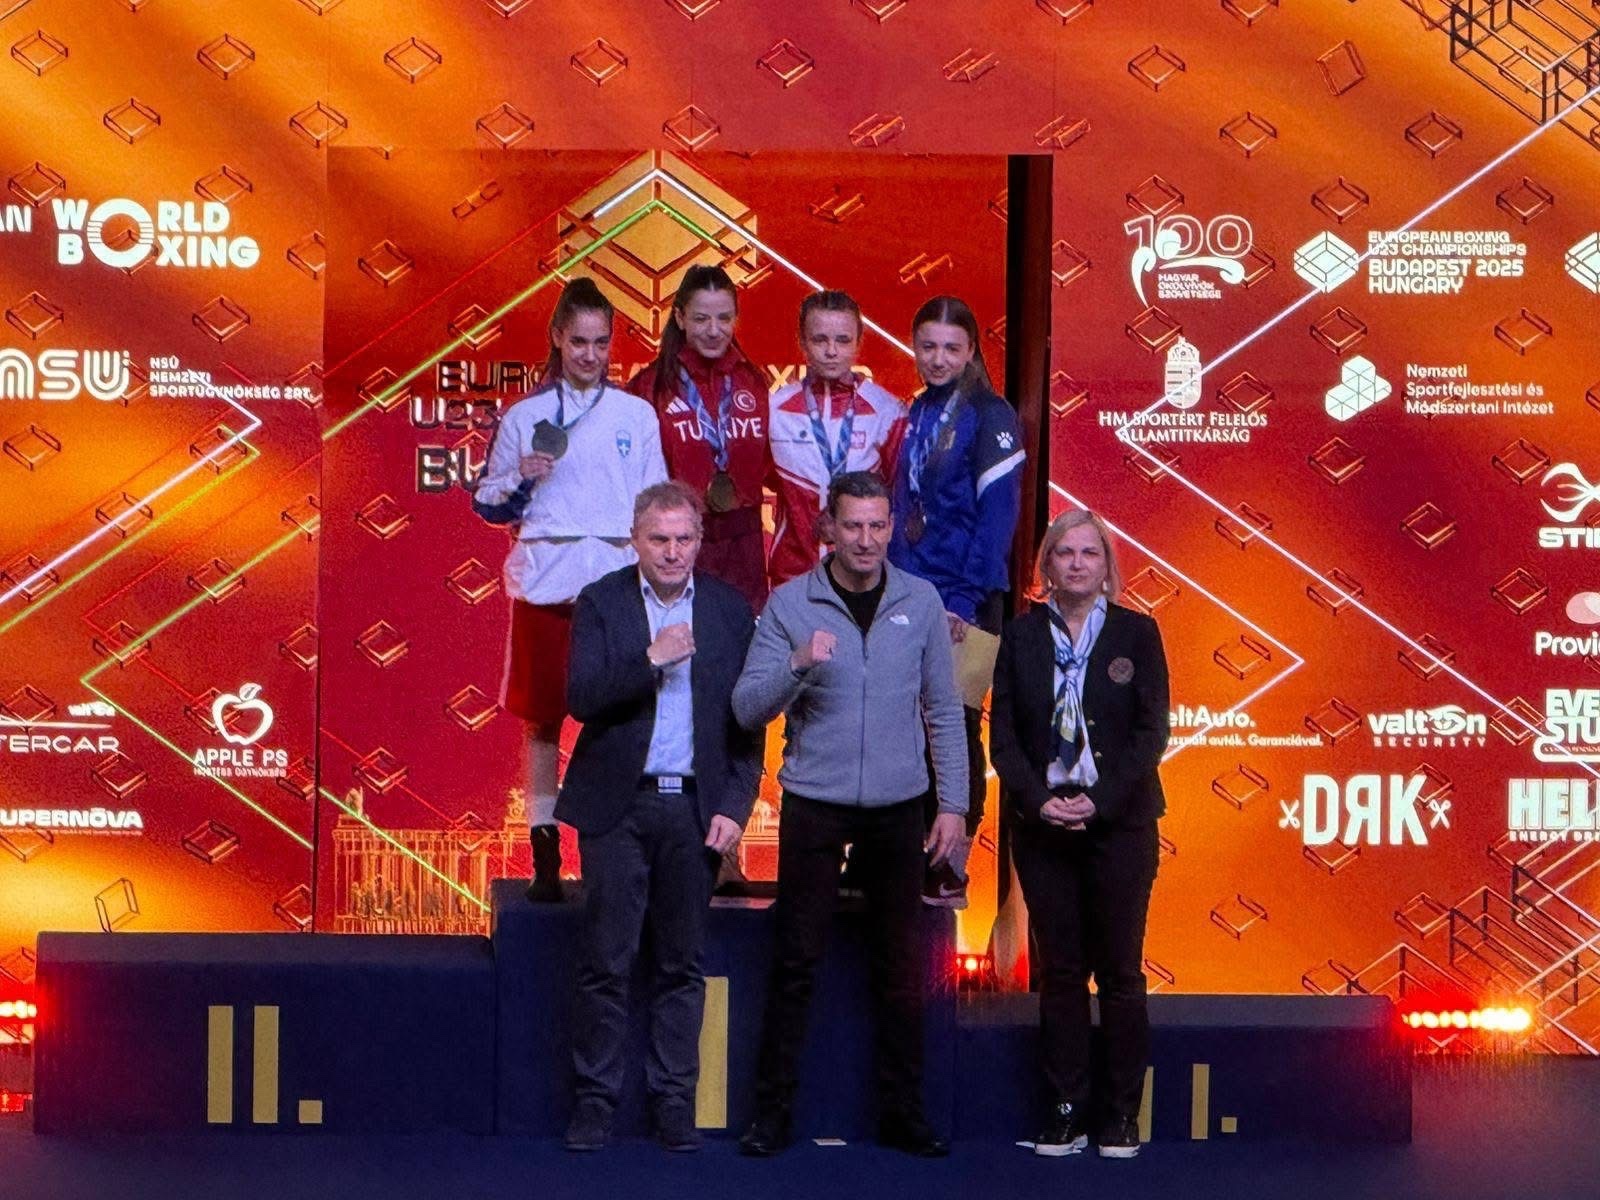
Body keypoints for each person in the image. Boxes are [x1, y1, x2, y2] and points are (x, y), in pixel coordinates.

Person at [732, 471, 968, 1158]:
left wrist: (953, 803)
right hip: (815, 804)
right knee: (795, 962)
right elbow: (747, 709)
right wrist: (797, 663)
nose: (865, 539)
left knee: (901, 969)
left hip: (899, 809)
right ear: (828, 529)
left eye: (877, 525)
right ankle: (771, 1116)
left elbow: (944, 709)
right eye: (853, 526)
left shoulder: (921, 600)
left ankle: (904, 1115)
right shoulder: (789, 604)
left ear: (891, 527)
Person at [556, 480, 764, 1153]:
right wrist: (651, 658)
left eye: (683, 539)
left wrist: (736, 806)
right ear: (635, 541)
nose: (672, 552)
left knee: (682, 965)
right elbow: (582, 697)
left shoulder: (729, 610)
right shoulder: (602, 602)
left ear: (700, 541)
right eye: (659, 540)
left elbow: (749, 723)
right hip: (617, 807)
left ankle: (673, 1103)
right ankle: (595, 1102)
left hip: (695, 811)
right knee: (606, 961)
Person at [472, 278, 667, 900]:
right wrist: (521, 478)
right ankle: (544, 849)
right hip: (545, 587)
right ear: (558, 337)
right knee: (542, 724)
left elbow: (655, 505)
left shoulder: (635, 416)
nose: (590, 354)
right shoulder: (523, 417)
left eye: (600, 342)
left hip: (614, 591)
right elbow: (487, 503)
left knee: (618, 723)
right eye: (579, 341)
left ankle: (610, 848)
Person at [988, 509, 1170, 1160]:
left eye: (1089, 553)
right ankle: (1064, 1112)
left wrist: (1099, 799)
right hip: (1044, 830)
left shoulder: (1137, 634)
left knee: (1120, 973)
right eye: (1064, 552)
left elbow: (1152, 733)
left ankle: (1120, 1114)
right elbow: (1003, 740)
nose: (1076, 563)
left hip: (1120, 826)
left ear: (1106, 566)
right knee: (1062, 974)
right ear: (1046, 565)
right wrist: (1041, 803)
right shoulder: (1020, 637)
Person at [888, 295, 1024, 909]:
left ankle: (952, 864)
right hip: (910, 595)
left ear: (972, 352)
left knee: (957, 724)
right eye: (928, 347)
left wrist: (963, 601)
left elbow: (997, 521)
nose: (938, 359)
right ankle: (912, 851)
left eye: (951, 348)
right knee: (906, 722)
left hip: (968, 600)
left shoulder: (992, 415)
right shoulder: (918, 411)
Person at [630, 264, 771, 611]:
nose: (713, 330)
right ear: (680, 317)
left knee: (742, 638)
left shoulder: (753, 382)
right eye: (701, 319)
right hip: (675, 545)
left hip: (745, 548)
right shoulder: (650, 387)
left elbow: (775, 466)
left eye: (724, 319)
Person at [767, 290, 906, 587]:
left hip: (863, 578)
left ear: (858, 342)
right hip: (793, 577)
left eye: (843, 340)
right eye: (820, 340)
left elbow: (900, 498)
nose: (831, 351)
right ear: (802, 341)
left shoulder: (887, 411)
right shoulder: (774, 410)